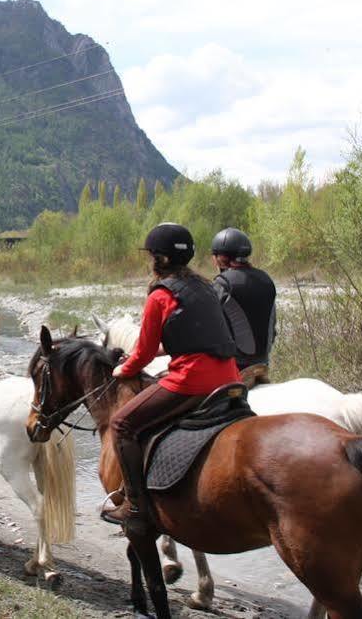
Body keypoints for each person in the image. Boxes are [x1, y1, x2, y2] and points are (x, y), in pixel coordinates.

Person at [102, 222, 241, 533]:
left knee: (121, 424)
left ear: (160, 259)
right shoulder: (206, 286)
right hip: (229, 376)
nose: (150, 260)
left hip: (192, 381)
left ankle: (134, 506)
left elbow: (143, 354)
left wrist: (122, 369)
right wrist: (170, 351)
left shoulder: (160, 295)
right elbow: (196, 336)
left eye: (152, 254)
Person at [211, 227, 277, 388]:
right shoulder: (266, 280)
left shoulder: (223, 284)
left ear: (221, 258)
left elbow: (210, 328)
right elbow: (273, 327)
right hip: (263, 362)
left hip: (234, 366)